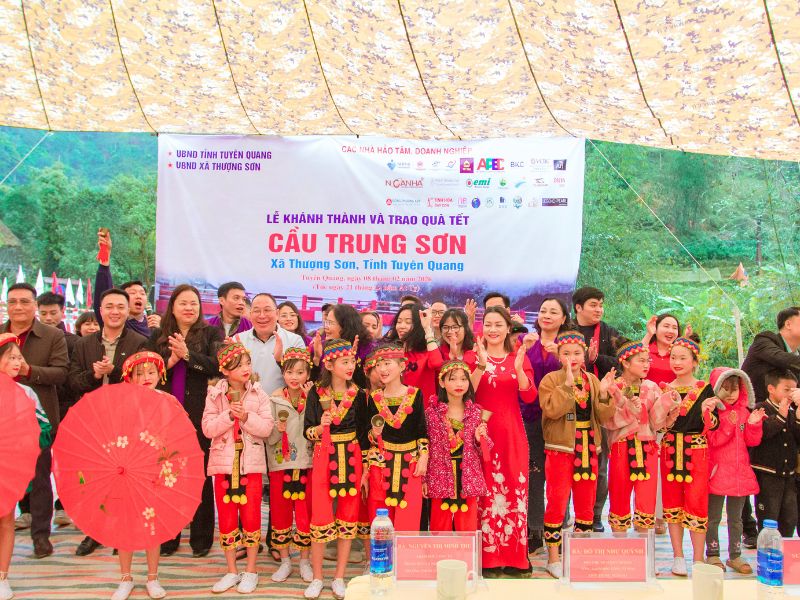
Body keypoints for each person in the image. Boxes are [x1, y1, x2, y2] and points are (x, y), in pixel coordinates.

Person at [147, 284, 224, 558]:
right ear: (173, 307)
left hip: (198, 411)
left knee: (199, 474)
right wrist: (170, 359)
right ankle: (168, 537)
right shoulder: (158, 335)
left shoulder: (212, 332)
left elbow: (217, 366)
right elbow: (148, 369)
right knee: (166, 475)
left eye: (193, 303)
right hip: (164, 414)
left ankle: (201, 539)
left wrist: (188, 355)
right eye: (183, 303)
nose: (189, 308)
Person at [68, 287, 147, 556]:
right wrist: (93, 374)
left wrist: (113, 373)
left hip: (125, 421)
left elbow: (142, 383)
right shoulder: (83, 344)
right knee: (94, 478)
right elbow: (72, 383)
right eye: (109, 306)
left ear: (128, 311)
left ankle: (121, 530)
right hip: (93, 421)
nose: (115, 312)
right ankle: (94, 531)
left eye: (120, 307)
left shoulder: (138, 343)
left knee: (125, 476)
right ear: (100, 311)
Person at [538, 331, 616, 578]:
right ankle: (553, 557)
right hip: (561, 449)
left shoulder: (592, 380)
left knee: (586, 502)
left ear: (585, 355)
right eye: (566, 353)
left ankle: (579, 554)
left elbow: (603, 417)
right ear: (559, 355)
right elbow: (551, 410)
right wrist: (567, 386)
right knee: (557, 501)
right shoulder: (550, 380)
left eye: (576, 353)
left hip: (589, 448)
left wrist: (604, 393)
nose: (572, 358)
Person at [2, 282, 67, 558]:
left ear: (34, 305)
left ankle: (41, 535)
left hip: (35, 420)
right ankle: (13, 520)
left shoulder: (52, 335)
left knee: (40, 478)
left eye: (24, 302)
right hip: (3, 425)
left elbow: (61, 373)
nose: (18, 307)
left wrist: (30, 371)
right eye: (12, 301)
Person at [203, 341, 274, 594]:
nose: (245, 368)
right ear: (225, 369)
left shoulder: (259, 394)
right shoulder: (214, 395)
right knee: (227, 518)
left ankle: (251, 570)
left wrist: (245, 417)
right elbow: (208, 429)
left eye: (247, 363)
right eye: (238, 364)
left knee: (253, 516)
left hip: (250, 465)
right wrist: (228, 416)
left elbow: (267, 429)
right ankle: (232, 570)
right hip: (223, 465)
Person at [303, 339, 369, 600]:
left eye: (352, 361)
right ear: (329, 364)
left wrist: (364, 469)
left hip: (351, 456)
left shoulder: (360, 394)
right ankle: (318, 576)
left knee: (348, 516)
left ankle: (339, 576)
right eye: (344, 362)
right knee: (320, 516)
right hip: (323, 455)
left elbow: (363, 434)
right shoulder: (316, 393)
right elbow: (308, 430)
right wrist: (319, 427)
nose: (350, 366)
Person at [476, 307, 536, 576]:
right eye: (488, 324)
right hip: (482, 433)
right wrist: (479, 365)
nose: (492, 329)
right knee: (486, 494)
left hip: (512, 433)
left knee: (514, 492)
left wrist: (519, 368)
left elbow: (530, 396)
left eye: (498, 324)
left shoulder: (518, 358)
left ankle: (515, 558)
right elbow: (465, 392)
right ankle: (488, 558)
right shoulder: (473, 356)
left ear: (508, 329)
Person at [111, 351, 173, 600]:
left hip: (155, 469)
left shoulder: (167, 401)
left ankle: (152, 577)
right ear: (129, 377)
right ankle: (125, 577)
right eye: (139, 373)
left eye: (151, 372)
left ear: (160, 374)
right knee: (125, 524)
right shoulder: (121, 402)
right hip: (126, 469)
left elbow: (175, 435)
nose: (146, 377)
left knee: (152, 524)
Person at [661, 335, 720, 576]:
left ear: (694, 361)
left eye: (683, 358)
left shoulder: (705, 388)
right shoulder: (665, 388)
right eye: (673, 357)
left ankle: (697, 559)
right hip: (670, 450)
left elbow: (713, 426)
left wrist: (708, 412)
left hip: (697, 451)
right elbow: (659, 425)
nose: (677, 362)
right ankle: (678, 557)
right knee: (672, 502)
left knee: (696, 502)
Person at [741, 307, 800, 545]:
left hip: (783, 421)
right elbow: (780, 359)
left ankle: (779, 539)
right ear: (788, 324)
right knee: (743, 475)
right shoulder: (765, 340)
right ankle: (748, 529)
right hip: (750, 417)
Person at [0, 333, 51, 600]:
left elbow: (43, 428)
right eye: (11, 358)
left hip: (9, 467)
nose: (18, 362)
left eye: (19, 358)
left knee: (6, 518)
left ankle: (3, 577)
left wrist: (23, 441)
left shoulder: (26, 392)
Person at [604, 338, 670, 533]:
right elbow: (607, 421)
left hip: (648, 448)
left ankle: (643, 555)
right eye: (641, 360)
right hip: (621, 447)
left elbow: (656, 423)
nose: (646, 364)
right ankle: (622, 552)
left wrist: (668, 404)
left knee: (646, 500)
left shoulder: (651, 387)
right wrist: (627, 408)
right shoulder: (611, 386)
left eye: (648, 360)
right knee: (619, 496)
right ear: (625, 362)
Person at [705, 368, 764, 574]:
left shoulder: (744, 412)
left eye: (735, 388)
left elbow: (752, 441)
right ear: (715, 388)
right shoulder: (711, 412)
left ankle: (735, 555)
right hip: (717, 472)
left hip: (739, 474)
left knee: (736, 519)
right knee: (712, 517)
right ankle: (712, 553)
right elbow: (713, 440)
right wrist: (728, 425)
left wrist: (754, 425)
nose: (731, 393)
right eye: (725, 388)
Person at [522, 297, 568, 551]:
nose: (546, 315)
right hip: (530, 416)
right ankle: (535, 530)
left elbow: (578, 376)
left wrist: (562, 358)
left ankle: (557, 529)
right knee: (534, 473)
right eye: (542, 310)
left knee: (560, 476)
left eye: (553, 311)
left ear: (563, 318)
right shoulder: (526, 341)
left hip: (560, 419)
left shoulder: (569, 344)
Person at [364, 344, 428, 528]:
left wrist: (424, 456)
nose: (382, 369)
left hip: (410, 462)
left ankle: (406, 557)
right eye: (379, 365)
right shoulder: (375, 397)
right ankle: (383, 556)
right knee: (380, 516)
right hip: (380, 464)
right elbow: (369, 436)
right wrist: (374, 434)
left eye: (387, 363)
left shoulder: (415, 394)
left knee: (409, 514)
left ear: (401, 366)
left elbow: (421, 430)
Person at [572, 286, 619, 532]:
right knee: (566, 463)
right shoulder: (566, 330)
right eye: (593, 304)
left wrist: (596, 359)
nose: (598, 309)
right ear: (578, 307)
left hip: (597, 407)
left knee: (598, 465)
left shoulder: (609, 333)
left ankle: (595, 514)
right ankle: (564, 515)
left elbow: (622, 362)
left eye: (600, 304)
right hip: (567, 406)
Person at [267, 347, 314, 584]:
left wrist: (313, 400)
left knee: (305, 513)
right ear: (283, 373)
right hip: (280, 463)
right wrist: (278, 429)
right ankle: (286, 561)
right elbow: (270, 438)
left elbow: (318, 430)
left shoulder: (314, 398)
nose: (294, 377)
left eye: (300, 372)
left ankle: (304, 561)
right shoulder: (274, 399)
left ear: (308, 374)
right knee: (280, 512)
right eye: (289, 372)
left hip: (306, 463)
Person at [424, 360, 489, 532]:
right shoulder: (431, 413)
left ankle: (467, 559)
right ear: (442, 382)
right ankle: (440, 558)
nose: (459, 384)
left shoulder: (476, 413)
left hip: (467, 475)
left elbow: (485, 450)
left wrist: (478, 438)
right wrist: (423, 479)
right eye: (452, 379)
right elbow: (424, 448)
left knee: (467, 526)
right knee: (439, 524)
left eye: (463, 379)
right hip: (440, 474)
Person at [36, 291, 77, 527]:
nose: (49, 317)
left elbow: (68, 376)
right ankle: (29, 509)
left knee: (66, 460)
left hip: (66, 406)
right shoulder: (33, 340)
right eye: (44, 313)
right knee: (36, 460)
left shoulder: (72, 341)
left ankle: (64, 503)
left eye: (53, 313)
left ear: (62, 312)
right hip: (37, 406)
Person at [750, 370, 800, 536]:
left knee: (789, 517)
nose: (791, 394)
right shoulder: (761, 409)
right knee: (768, 516)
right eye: (787, 390)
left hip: (788, 474)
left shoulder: (792, 411)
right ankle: (767, 554)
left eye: (794, 390)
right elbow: (762, 434)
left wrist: (798, 418)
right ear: (771, 388)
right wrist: (780, 416)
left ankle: (785, 555)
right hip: (767, 473)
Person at [93, 229, 161, 337]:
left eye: (142, 293)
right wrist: (105, 254)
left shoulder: (154, 325)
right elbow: (103, 295)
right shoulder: (117, 322)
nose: (138, 296)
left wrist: (161, 331)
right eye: (133, 293)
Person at [238, 293, 306, 394]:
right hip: (247, 405)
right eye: (256, 311)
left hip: (282, 405)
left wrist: (280, 360)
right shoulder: (238, 340)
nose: (262, 315)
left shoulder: (295, 340)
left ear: (277, 313)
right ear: (250, 314)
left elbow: (300, 376)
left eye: (267, 310)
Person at [383, 303, 442, 407]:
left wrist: (427, 329)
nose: (401, 326)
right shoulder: (391, 354)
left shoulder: (427, 353)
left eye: (408, 322)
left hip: (422, 415)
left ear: (419, 325)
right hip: (394, 413)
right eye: (399, 321)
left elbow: (437, 363)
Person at [643, 313, 683, 386]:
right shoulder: (646, 349)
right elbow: (636, 356)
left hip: (673, 395)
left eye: (674, 328)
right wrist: (649, 333)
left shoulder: (679, 353)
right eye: (666, 326)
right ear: (656, 328)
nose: (671, 331)